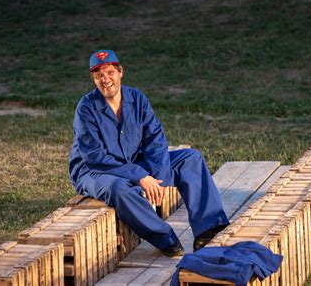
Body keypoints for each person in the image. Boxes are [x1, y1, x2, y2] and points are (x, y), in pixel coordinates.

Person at [69, 49, 229, 256]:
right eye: (99, 75)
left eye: (109, 72)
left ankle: (209, 228)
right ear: (93, 79)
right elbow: (95, 158)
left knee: (191, 158)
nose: (105, 79)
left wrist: (159, 177)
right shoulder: (86, 108)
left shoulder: (137, 98)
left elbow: (155, 139)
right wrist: (141, 176)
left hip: (132, 162)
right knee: (118, 188)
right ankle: (165, 239)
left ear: (120, 72)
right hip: (95, 172)